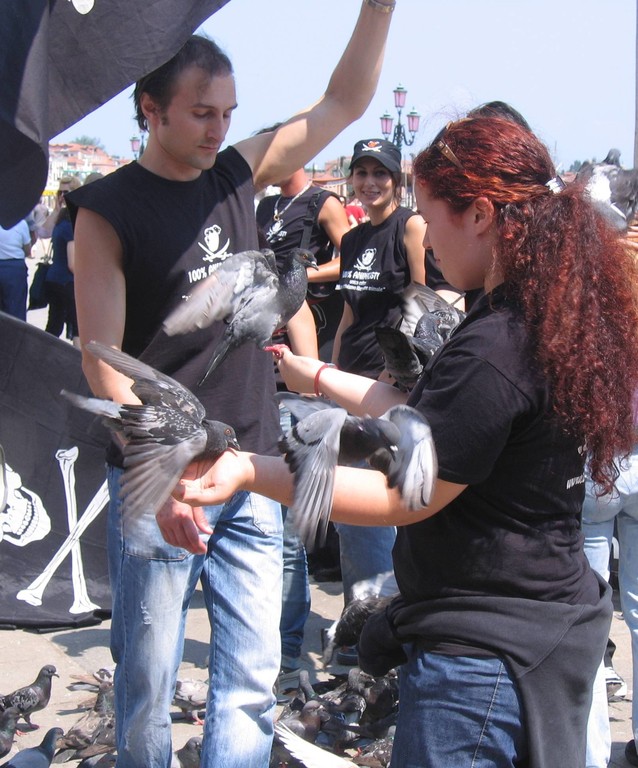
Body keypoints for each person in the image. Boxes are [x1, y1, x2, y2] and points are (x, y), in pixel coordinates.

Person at [173, 115, 638, 768]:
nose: (424, 234)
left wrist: (248, 470)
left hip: (484, 660)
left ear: (478, 214)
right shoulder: (534, 316)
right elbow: (435, 420)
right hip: (541, 621)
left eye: (430, 213)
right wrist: (322, 376)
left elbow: (403, 496)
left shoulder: (498, 346)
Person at [67, 3, 394, 767]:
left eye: (229, 114)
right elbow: (101, 361)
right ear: (150, 110)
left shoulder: (233, 172)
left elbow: (341, 104)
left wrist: (377, 9)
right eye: (201, 113)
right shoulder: (106, 211)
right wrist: (173, 470)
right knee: (147, 683)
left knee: (249, 679)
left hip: (248, 467)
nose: (218, 129)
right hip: (160, 481)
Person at [256, 156, 350, 696]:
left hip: (301, 340)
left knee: (293, 530)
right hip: (267, 365)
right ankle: (281, 649)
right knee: (277, 533)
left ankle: (294, 651)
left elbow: (352, 257)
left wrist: (298, 279)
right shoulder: (268, 205)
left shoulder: (321, 202)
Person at [330, 138, 426, 654]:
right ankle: (361, 633)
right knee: (351, 516)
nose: (369, 182)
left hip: (388, 387)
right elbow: (350, 311)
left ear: (396, 178)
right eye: (361, 172)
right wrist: (330, 364)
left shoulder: (409, 225)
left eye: (380, 173)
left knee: (378, 510)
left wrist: (400, 375)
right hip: (350, 379)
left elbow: (423, 296)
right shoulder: (350, 239)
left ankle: (384, 634)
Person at [44, 175, 82, 344]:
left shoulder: (65, 222)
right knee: (77, 328)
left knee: (54, 325)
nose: (62, 195)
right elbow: (72, 263)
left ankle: (41, 358)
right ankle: (77, 367)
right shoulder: (67, 223)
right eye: (60, 192)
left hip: (55, 279)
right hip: (67, 281)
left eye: (66, 192)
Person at [0, 218, 32, 320]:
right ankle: (15, 335)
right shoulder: (20, 223)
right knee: (16, 309)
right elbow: (27, 249)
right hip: (15, 268)